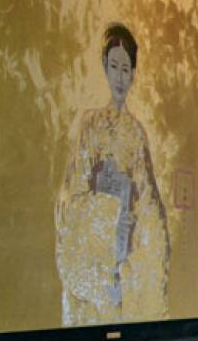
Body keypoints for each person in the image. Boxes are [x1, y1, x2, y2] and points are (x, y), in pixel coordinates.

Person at [55, 23, 170, 323]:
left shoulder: (137, 134)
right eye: (114, 67)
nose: (120, 77)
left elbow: (149, 201)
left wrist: (137, 227)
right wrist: (109, 214)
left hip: (127, 249)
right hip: (96, 248)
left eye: (126, 69)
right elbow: (73, 193)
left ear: (133, 74)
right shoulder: (90, 124)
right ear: (105, 67)